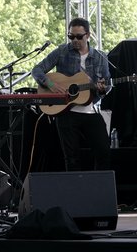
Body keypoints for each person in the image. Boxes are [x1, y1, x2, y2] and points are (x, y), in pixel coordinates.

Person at [32, 17, 112, 171]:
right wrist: (51, 84)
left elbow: (106, 86)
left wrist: (102, 89)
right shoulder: (62, 52)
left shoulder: (101, 57)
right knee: (72, 158)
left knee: (103, 152)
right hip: (66, 112)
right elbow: (36, 70)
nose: (74, 40)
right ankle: (74, 192)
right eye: (71, 36)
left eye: (78, 37)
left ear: (88, 35)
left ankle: (98, 189)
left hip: (91, 110)